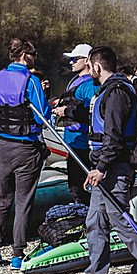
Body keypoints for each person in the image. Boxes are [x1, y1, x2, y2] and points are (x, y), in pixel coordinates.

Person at [65, 46, 137, 274]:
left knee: (120, 220)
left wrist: (100, 168)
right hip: (105, 166)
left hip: (114, 168)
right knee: (95, 221)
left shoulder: (117, 94)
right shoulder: (108, 92)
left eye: (90, 66)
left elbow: (113, 137)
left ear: (97, 67)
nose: (88, 70)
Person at [0, 38, 51, 269]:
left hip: (4, 146)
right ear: (25, 56)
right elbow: (42, 117)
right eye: (34, 55)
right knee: (23, 201)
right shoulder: (32, 80)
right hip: (26, 148)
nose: (35, 59)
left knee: (2, 199)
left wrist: (5, 102)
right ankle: (18, 254)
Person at [54, 44, 99, 204]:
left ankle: (86, 215)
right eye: (71, 59)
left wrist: (65, 111)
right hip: (73, 142)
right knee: (74, 186)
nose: (71, 62)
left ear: (87, 61)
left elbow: (92, 114)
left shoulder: (89, 85)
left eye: (75, 59)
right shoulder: (77, 81)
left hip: (82, 143)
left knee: (80, 187)